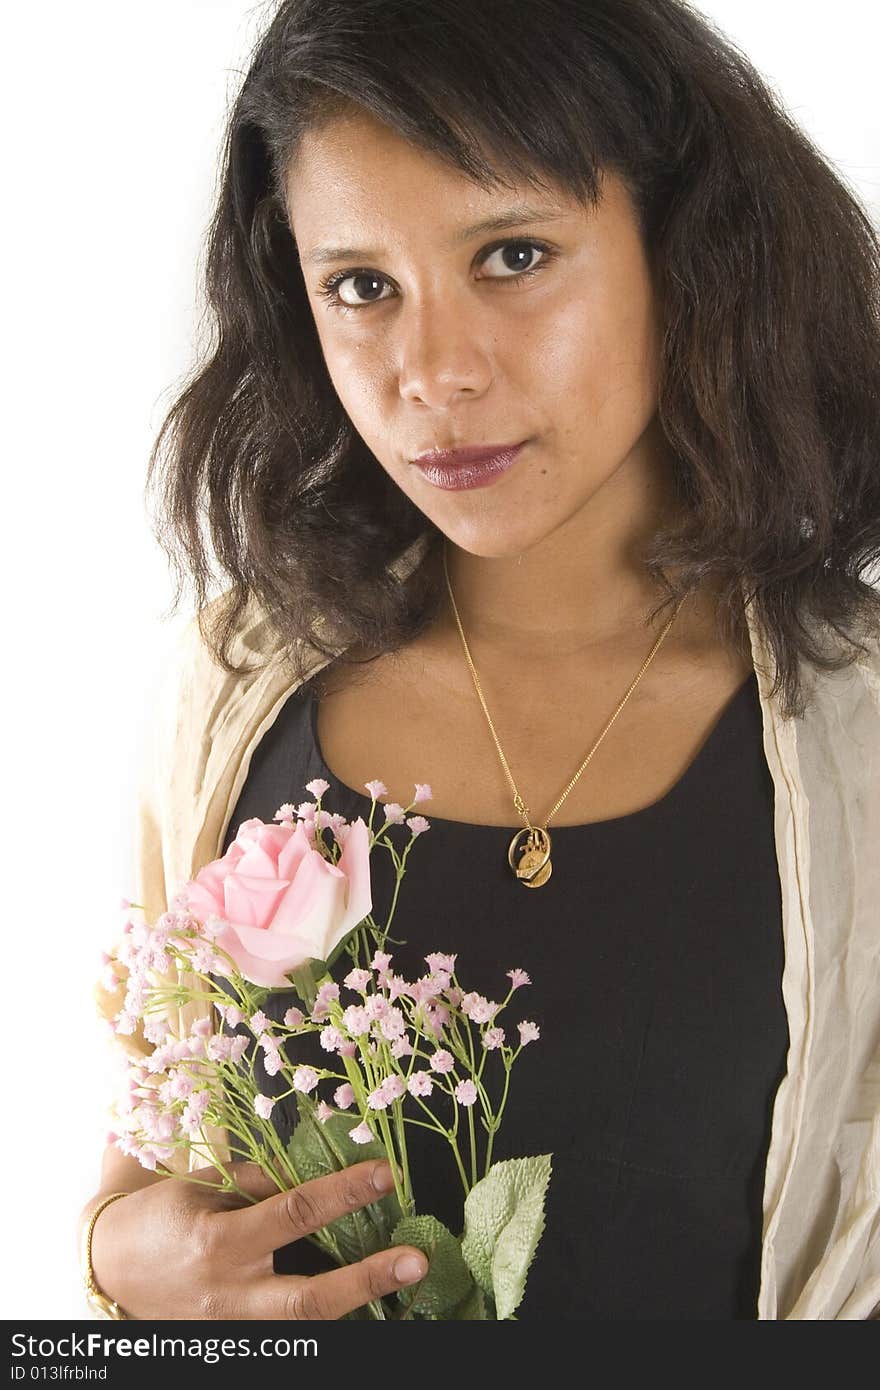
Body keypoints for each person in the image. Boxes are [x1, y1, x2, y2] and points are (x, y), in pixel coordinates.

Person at [79, 0, 880, 1320]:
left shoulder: (853, 734)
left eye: (512, 254)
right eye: (361, 286)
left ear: (683, 250)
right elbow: (150, 1179)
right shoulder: (235, 681)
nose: (431, 372)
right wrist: (124, 1263)